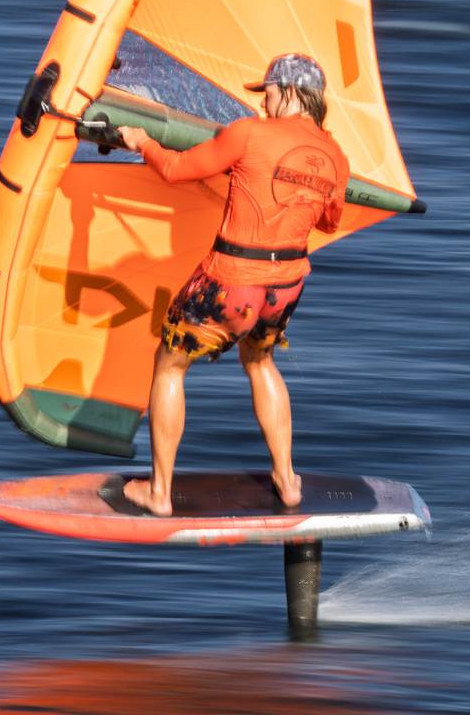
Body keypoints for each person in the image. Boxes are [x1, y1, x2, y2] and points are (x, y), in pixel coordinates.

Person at [116, 53, 350, 517]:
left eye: (269, 94)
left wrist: (142, 141)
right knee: (260, 361)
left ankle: (159, 492)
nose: (264, 103)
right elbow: (329, 221)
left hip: (230, 283)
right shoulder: (336, 157)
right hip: (285, 287)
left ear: (289, 92)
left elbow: (174, 169)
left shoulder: (249, 133)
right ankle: (287, 480)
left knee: (170, 365)